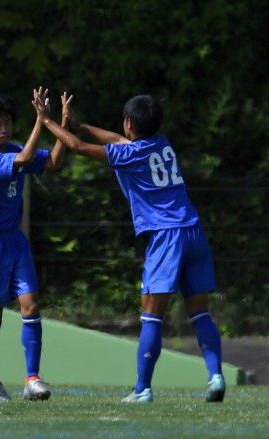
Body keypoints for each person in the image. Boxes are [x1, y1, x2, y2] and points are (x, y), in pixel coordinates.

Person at [33, 92, 225, 403]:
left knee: (151, 315)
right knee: (200, 312)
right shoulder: (162, 145)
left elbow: (78, 148)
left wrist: (48, 122)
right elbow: (117, 140)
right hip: (194, 232)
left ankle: (142, 389)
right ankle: (215, 376)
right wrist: (80, 124)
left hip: (167, 237)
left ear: (128, 123)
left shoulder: (131, 155)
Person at [0, 89, 68, 402]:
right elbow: (25, 158)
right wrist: (42, 121)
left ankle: (32, 379)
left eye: (7, 122)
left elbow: (52, 161)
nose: (3, 128)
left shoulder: (15, 148)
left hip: (14, 239)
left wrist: (60, 125)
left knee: (31, 305)